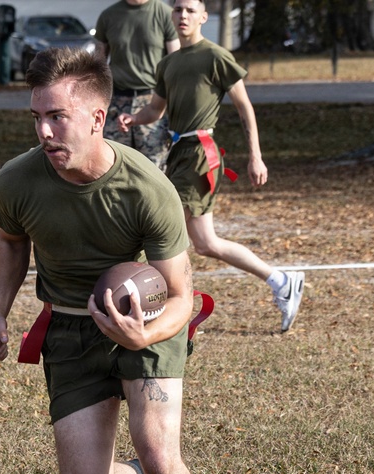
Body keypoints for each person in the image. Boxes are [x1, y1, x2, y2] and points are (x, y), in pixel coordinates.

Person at [0, 47, 227, 474]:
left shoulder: (148, 188)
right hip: (69, 329)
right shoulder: (17, 178)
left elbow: (181, 298)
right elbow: (13, 241)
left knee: (164, 454)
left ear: (97, 116)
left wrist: (146, 333)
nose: (43, 130)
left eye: (56, 117)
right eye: (36, 115)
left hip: (145, 327)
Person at [118, 0, 304, 332]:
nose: (183, 15)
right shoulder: (168, 64)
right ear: (171, 16)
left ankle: (166, 305)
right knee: (204, 242)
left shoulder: (216, 57)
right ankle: (280, 280)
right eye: (177, 10)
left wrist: (255, 156)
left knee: (171, 228)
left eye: (190, 10)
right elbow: (155, 111)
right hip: (177, 153)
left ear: (204, 16)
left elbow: (245, 107)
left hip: (201, 155)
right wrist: (134, 118)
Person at [94, 0, 179, 168]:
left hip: (153, 102)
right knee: (113, 167)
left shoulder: (165, 14)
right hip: (115, 103)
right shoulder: (108, 15)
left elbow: (175, 64)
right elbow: (98, 65)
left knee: (154, 169)